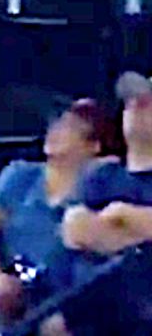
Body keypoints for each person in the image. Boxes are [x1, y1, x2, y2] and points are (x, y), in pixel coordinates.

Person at [0, 99, 107, 316]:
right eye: (56, 124)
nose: (56, 131)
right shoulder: (19, 174)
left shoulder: (96, 199)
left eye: (70, 127)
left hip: (53, 312)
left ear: (94, 146)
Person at [57, 71, 152, 333]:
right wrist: (136, 236)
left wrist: (122, 215)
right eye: (133, 102)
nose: (137, 106)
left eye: (148, 102)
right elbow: (75, 229)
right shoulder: (100, 176)